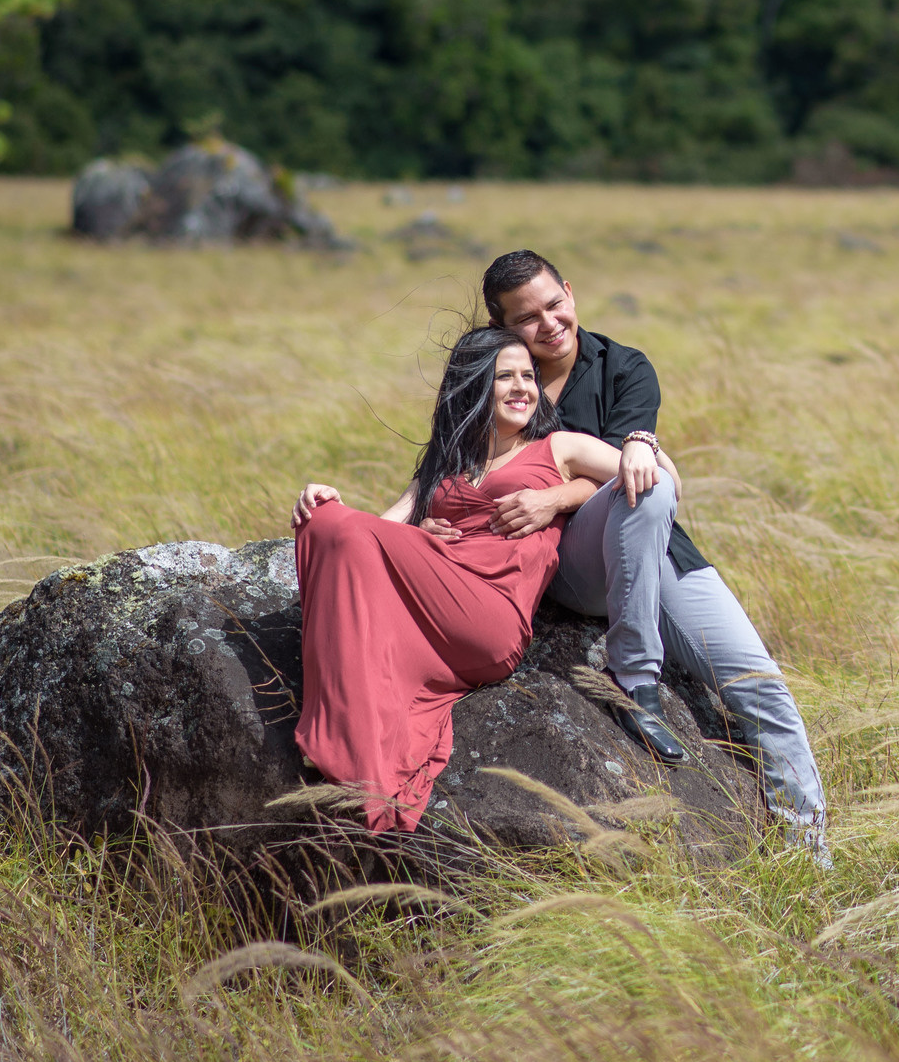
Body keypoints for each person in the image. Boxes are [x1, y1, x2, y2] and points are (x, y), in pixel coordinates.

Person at [472, 249, 829, 854]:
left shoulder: (624, 367)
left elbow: (630, 477)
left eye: (555, 304)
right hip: (563, 562)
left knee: (761, 686)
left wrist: (555, 494)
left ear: (571, 292)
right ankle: (635, 675)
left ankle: (809, 852)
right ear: (503, 327)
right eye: (528, 318)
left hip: (656, 551)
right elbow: (455, 471)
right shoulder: (496, 381)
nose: (550, 324)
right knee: (648, 483)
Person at [289, 323, 676, 833]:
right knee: (330, 521)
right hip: (440, 597)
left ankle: (340, 746)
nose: (523, 388)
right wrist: (330, 501)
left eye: (528, 376)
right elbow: (378, 529)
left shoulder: (559, 448)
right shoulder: (446, 460)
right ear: (474, 386)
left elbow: (660, 483)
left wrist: (567, 491)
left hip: (491, 613)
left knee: (341, 527)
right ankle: (345, 737)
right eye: (505, 377)